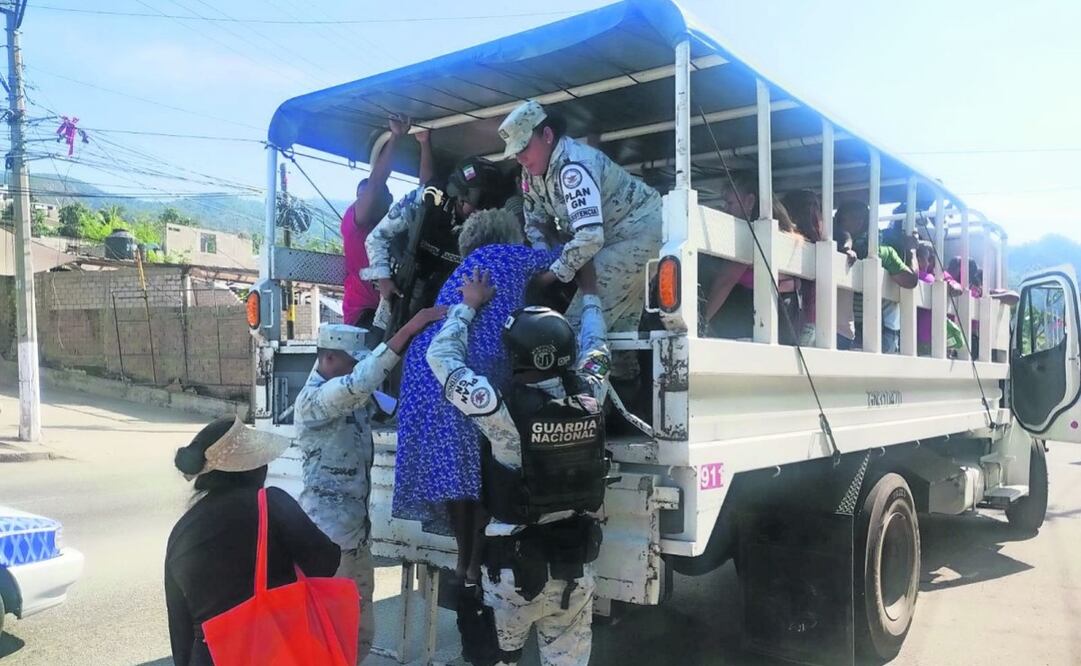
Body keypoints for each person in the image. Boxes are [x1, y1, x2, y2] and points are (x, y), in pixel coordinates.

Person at [427, 262, 611, 666]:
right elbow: (598, 346)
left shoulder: (499, 410)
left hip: (511, 577)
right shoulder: (592, 393)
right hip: (574, 570)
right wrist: (591, 293)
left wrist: (468, 307)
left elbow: (440, 357)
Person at [393, 210, 559, 587]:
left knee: (455, 469)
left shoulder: (461, 270)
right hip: (468, 368)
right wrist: (548, 232)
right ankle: (472, 559)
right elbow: (564, 259)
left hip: (424, 372)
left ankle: (464, 560)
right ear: (506, 234)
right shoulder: (508, 254)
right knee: (479, 466)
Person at [293, 312, 446, 664]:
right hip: (327, 539)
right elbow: (361, 382)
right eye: (350, 362)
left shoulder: (350, 396)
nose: (354, 369)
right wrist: (409, 328)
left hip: (356, 536)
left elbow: (382, 402)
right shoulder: (316, 400)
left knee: (361, 632)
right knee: (329, 634)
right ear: (329, 357)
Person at [498, 99, 662, 387]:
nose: (520, 158)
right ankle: (621, 400)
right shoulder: (532, 173)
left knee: (570, 329)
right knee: (616, 327)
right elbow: (534, 221)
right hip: (610, 240)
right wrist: (542, 262)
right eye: (515, 152)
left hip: (639, 233)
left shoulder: (574, 166)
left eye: (524, 147)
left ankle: (573, 405)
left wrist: (550, 277)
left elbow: (589, 238)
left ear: (547, 135)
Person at [165, 417, 341, 666]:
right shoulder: (271, 505)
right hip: (273, 650)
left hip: (208, 656)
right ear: (253, 468)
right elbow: (326, 563)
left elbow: (179, 627)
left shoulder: (182, 532)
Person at [364, 154, 514, 329]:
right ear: (460, 195)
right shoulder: (426, 198)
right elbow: (376, 237)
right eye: (479, 202)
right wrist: (383, 277)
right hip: (405, 289)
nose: (482, 211)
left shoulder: (492, 226)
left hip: (449, 300)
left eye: (490, 204)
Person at [342, 116, 432, 329]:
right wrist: (395, 137)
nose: (365, 201)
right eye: (360, 197)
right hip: (363, 315)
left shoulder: (400, 225)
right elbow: (374, 185)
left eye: (370, 196)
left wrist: (425, 143)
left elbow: (428, 197)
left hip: (396, 309)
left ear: (389, 200)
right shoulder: (354, 226)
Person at [701, 171, 802, 343]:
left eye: (730, 203)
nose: (726, 209)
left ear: (749, 201)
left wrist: (702, 322)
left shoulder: (751, 234)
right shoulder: (785, 234)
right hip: (786, 316)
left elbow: (726, 281)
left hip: (756, 316)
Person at [833, 200, 919, 352]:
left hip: (853, 329)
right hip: (871, 329)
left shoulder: (879, 252)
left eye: (860, 218)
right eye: (852, 217)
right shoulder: (880, 251)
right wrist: (911, 250)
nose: (857, 221)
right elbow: (911, 280)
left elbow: (910, 281)